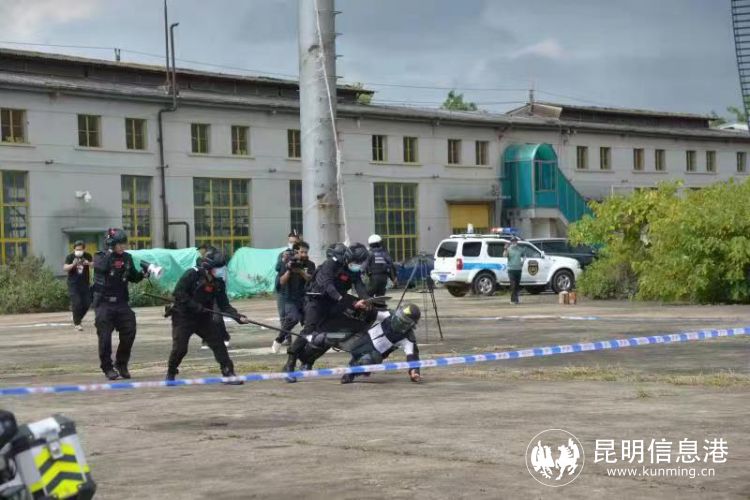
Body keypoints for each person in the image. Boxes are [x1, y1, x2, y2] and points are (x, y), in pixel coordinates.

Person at [282, 242, 371, 382]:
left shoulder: (353, 270)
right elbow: (327, 285)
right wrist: (343, 299)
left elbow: (359, 285)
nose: (358, 265)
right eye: (356, 262)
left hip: (334, 304)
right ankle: (290, 363)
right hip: (316, 301)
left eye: (360, 263)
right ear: (349, 258)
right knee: (309, 331)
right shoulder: (331, 264)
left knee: (328, 334)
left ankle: (307, 361)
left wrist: (366, 300)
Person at [167, 247, 248, 384]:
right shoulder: (192, 274)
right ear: (209, 268)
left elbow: (224, 305)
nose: (221, 270)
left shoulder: (219, 283)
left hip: (204, 318)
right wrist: (195, 306)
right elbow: (178, 293)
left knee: (218, 343)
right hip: (183, 317)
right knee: (180, 349)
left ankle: (228, 372)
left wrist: (237, 317)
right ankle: (171, 371)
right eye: (219, 268)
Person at [92, 228, 146, 380]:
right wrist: (111, 254)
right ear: (111, 244)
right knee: (105, 338)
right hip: (104, 303)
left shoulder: (127, 258)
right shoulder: (101, 256)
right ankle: (107, 367)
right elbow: (101, 268)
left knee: (130, 330)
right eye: (119, 244)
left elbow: (133, 277)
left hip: (121, 303)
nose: (122, 247)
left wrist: (143, 274)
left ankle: (121, 364)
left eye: (124, 244)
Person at [340, 303, 422, 384]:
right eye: (400, 316)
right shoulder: (388, 314)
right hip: (365, 340)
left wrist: (414, 371)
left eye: (404, 320)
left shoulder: (408, 338)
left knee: (367, 360)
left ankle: (351, 373)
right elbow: (372, 312)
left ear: (410, 324)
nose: (399, 320)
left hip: (376, 354)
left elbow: (413, 357)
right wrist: (364, 307)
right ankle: (354, 368)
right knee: (355, 355)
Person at [271, 241, 315, 353]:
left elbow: (311, 279)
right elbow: (281, 281)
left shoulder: (310, 264)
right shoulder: (286, 262)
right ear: (295, 252)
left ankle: (302, 345)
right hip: (290, 297)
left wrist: (300, 271)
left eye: (306, 252)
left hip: (305, 298)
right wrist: (289, 271)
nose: (304, 254)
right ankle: (279, 339)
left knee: (310, 322)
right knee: (293, 318)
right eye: (302, 252)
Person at [196, 244, 231, 350]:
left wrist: (208, 262)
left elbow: (219, 261)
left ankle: (224, 337)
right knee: (205, 316)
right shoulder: (201, 261)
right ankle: (206, 340)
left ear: (204, 249)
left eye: (200, 250)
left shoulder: (216, 256)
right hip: (205, 292)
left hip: (217, 291)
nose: (199, 253)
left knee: (217, 316)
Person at [63, 240, 93, 331]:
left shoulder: (87, 256)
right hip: (73, 284)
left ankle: (77, 318)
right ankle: (77, 323)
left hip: (85, 283)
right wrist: (73, 264)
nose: (78, 251)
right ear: (74, 249)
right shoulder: (70, 257)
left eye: (80, 249)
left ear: (84, 249)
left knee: (87, 303)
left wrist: (88, 263)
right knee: (77, 303)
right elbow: (65, 268)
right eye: (77, 249)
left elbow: (94, 265)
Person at [275, 231, 302, 325]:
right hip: (283, 289)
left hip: (296, 290)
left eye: (294, 242)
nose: (292, 244)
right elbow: (277, 268)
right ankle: (285, 333)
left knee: (296, 316)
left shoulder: (301, 254)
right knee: (283, 316)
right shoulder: (283, 254)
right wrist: (284, 260)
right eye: (290, 242)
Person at [504, 236, 524, 305]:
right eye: (512, 241)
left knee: (517, 286)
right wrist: (505, 249)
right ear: (511, 242)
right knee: (513, 285)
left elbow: (524, 255)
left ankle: (516, 299)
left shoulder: (520, 249)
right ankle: (512, 300)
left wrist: (523, 261)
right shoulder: (508, 249)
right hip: (511, 270)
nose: (514, 242)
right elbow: (504, 255)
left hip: (518, 269)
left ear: (517, 242)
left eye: (515, 241)